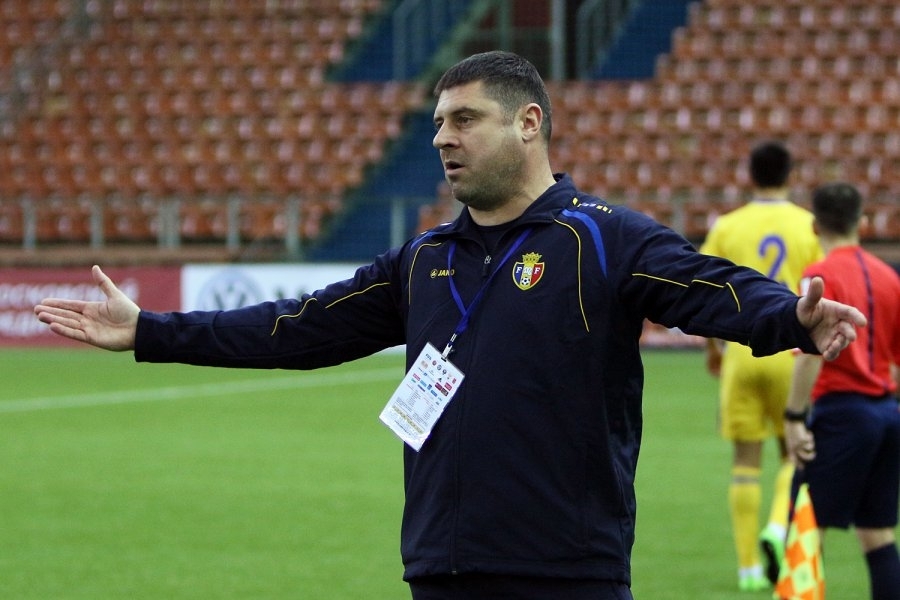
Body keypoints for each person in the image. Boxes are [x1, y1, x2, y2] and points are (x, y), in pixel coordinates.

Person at [34, 52, 866, 600]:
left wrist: (787, 317)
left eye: (464, 119)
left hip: (567, 571)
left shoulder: (602, 237)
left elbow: (706, 285)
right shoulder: (424, 258)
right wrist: (152, 331)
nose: (442, 138)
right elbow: (294, 327)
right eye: (438, 122)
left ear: (528, 123)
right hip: (439, 566)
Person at [699, 141, 823, 591]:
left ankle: (748, 568)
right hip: (791, 353)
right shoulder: (807, 225)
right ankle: (777, 524)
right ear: (790, 175)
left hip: (741, 351)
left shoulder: (728, 226)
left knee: (745, 461)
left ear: (750, 176)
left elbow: (703, 288)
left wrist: (714, 348)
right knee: (793, 451)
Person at [783, 183, 900, 600]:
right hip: (887, 414)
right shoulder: (890, 277)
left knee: (806, 525)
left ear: (815, 225)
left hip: (843, 413)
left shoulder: (820, 276)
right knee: (877, 532)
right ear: (862, 223)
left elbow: (810, 352)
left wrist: (795, 417)